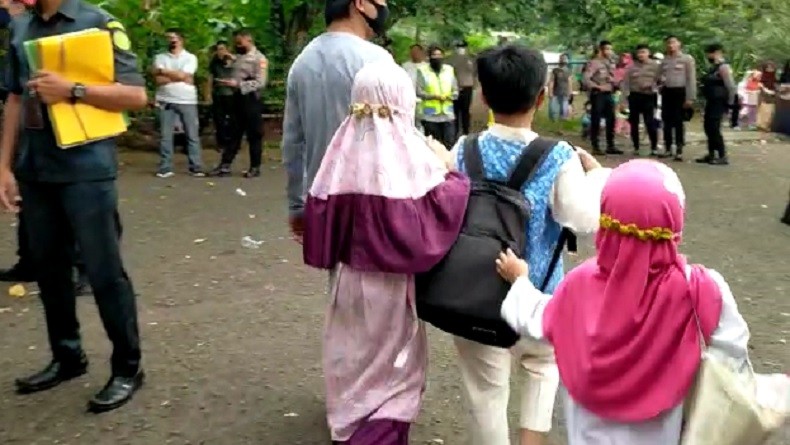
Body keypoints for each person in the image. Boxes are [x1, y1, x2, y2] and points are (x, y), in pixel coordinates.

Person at [499, 159, 752, 445]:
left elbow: (539, 319)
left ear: (605, 224)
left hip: (589, 429)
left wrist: (520, 281)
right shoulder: (700, 288)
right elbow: (733, 352)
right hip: (664, 429)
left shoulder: (580, 284)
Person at [449, 44, 610, 445]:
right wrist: (597, 176)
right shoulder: (558, 157)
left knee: (485, 394)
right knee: (542, 367)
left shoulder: (463, 151)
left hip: (474, 295)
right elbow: (584, 220)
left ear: (483, 96)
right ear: (541, 97)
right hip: (539, 295)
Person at [302, 60, 470, 445]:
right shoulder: (410, 153)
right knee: (392, 361)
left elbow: (320, 215)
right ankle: (379, 430)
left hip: (348, 280)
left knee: (350, 348)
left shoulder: (342, 148)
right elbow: (433, 212)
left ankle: (347, 415)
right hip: (391, 287)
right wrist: (452, 172)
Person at [0, 0, 147, 412]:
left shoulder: (99, 22)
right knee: (49, 272)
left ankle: (127, 367)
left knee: (103, 272)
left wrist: (72, 90)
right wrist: (4, 168)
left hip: (87, 169)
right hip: (36, 169)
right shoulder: (20, 26)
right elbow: (13, 98)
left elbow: (136, 95)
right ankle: (67, 357)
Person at [283, 0, 392, 244]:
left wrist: (297, 206)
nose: (385, 9)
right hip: (375, 196)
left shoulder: (302, 62)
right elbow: (400, 135)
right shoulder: (377, 60)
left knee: (340, 275)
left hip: (323, 197)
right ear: (361, 4)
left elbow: (292, 143)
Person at [208, 29, 268, 178]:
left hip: (251, 99)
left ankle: (255, 167)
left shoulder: (259, 59)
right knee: (233, 132)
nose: (237, 45)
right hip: (236, 99)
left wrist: (239, 84)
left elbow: (261, 82)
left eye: (239, 42)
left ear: (248, 40)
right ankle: (225, 165)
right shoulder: (239, 57)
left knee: (254, 134)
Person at [152, 28, 204, 178]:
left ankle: (196, 167)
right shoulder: (160, 57)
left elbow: (185, 75)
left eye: (173, 38)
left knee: (192, 134)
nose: (170, 41)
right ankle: (165, 167)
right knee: (165, 135)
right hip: (165, 100)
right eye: (168, 38)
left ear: (181, 40)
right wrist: (179, 77)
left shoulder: (190, 58)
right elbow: (159, 80)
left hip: (187, 100)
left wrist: (163, 72)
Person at [696, 43, 735, 166]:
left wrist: (730, 104)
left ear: (717, 53)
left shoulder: (724, 67)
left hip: (719, 102)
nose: (708, 56)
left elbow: (731, 86)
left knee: (714, 128)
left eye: (710, 53)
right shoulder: (713, 68)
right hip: (711, 101)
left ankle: (722, 155)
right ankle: (711, 153)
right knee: (708, 127)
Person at [659, 35, 697, 159]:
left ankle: (679, 148)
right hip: (667, 92)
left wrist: (690, 97)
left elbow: (691, 79)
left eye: (673, 42)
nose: (671, 45)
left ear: (679, 43)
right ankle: (668, 147)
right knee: (667, 121)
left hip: (680, 92)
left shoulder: (686, 59)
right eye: (669, 43)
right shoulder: (664, 60)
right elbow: (658, 77)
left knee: (678, 121)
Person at [620, 44, 660, 156]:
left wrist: (652, 86)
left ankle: (654, 147)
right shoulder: (631, 68)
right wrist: (623, 101)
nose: (641, 55)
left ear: (648, 53)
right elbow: (625, 85)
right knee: (634, 123)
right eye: (639, 53)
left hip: (649, 96)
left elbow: (661, 81)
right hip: (634, 96)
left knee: (650, 122)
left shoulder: (655, 66)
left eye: (644, 52)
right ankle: (636, 146)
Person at [584, 40, 622, 155]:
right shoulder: (594, 63)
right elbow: (586, 78)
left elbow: (613, 78)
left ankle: (611, 145)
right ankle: (595, 146)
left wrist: (615, 82)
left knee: (611, 119)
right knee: (596, 120)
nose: (610, 52)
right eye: (607, 49)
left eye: (611, 49)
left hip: (609, 94)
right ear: (601, 50)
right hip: (598, 94)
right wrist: (596, 87)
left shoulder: (610, 63)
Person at [417, 45, 459, 149]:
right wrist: (434, 96)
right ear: (429, 57)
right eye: (434, 55)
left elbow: (456, 91)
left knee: (450, 143)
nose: (437, 58)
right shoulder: (422, 71)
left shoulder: (449, 70)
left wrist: (449, 96)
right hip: (430, 115)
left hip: (447, 114)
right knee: (433, 146)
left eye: (439, 55)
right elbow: (419, 91)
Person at [207, 40, 235, 153]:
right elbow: (210, 77)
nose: (220, 52)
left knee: (232, 120)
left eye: (222, 49)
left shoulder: (234, 61)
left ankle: (232, 142)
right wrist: (208, 94)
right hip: (218, 93)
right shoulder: (214, 63)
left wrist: (231, 58)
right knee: (219, 119)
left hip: (232, 94)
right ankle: (221, 143)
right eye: (218, 49)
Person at [447, 40, 475, 136]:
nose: (461, 49)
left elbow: (475, 72)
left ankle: (466, 132)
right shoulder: (450, 59)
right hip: (454, 88)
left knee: (466, 111)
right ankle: (454, 133)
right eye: (459, 46)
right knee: (455, 111)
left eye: (463, 46)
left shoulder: (472, 58)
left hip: (467, 87)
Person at [547, 53, 572, 121]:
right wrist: (550, 92)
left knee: (564, 108)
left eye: (565, 58)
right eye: (562, 58)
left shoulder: (568, 70)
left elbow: (569, 82)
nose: (564, 60)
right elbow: (551, 81)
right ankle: (553, 120)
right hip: (556, 92)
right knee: (553, 109)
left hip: (565, 92)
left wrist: (570, 92)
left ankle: (563, 119)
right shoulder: (555, 70)